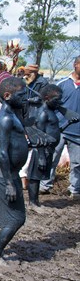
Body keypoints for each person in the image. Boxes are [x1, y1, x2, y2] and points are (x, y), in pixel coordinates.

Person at [0, 77, 29, 266]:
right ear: (9, 96)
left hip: (7, 172)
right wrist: (10, 183)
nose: (25, 98)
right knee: (17, 219)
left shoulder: (12, 114)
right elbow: (2, 153)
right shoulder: (5, 119)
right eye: (22, 94)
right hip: (5, 175)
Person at [40, 56, 80, 198]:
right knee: (51, 157)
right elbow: (48, 102)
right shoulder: (62, 84)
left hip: (77, 131)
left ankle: (75, 189)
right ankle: (45, 185)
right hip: (58, 129)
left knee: (77, 163)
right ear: (75, 65)